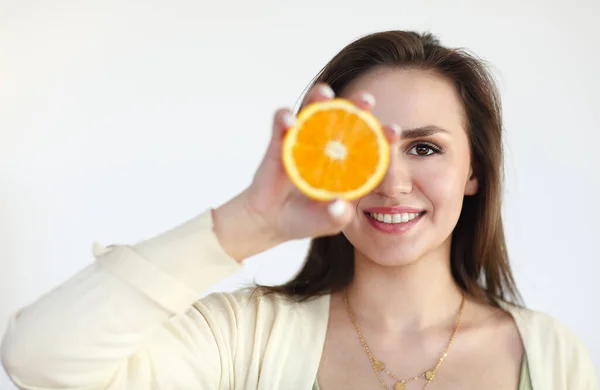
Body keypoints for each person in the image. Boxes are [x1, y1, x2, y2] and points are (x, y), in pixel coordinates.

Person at [1, 30, 597, 390]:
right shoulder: (245, 337)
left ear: (473, 172)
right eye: (366, 148)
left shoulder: (553, 357)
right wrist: (245, 224)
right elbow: (41, 361)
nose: (391, 181)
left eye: (424, 147)